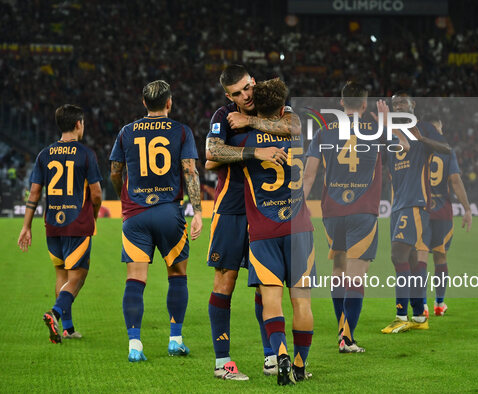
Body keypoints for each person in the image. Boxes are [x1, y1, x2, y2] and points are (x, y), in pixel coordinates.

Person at [204, 64, 297, 380]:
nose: (245, 96)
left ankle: (271, 357)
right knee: (225, 280)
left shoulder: (275, 108)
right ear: (228, 95)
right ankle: (223, 363)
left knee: (266, 285)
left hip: (268, 209)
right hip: (232, 208)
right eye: (236, 93)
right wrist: (255, 151)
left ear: (254, 82)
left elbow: (297, 127)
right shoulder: (223, 116)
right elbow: (212, 154)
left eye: (247, 88)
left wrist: (251, 122)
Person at [303, 82, 409, 352]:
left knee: (338, 272)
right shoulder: (376, 130)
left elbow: (308, 176)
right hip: (363, 211)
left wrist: (298, 209)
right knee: (356, 277)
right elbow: (405, 147)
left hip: (332, 211)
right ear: (364, 105)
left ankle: (342, 330)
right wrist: (388, 123)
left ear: (341, 103)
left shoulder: (324, 132)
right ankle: (347, 339)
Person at [109, 80, 203, 361]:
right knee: (177, 275)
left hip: (135, 214)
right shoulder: (182, 131)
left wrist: (123, 199)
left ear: (143, 103)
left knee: (135, 279)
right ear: (169, 102)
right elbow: (190, 172)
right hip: (169, 214)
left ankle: (134, 346)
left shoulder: (126, 132)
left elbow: (115, 171)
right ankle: (175, 340)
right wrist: (197, 211)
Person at [235, 78, 314, 385]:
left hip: (263, 231)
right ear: (283, 108)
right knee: (302, 303)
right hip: (299, 229)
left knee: (271, 301)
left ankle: (279, 353)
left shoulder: (245, 140)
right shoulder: (296, 131)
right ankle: (299, 365)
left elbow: (214, 157)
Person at [18, 104, 102, 343]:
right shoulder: (86, 154)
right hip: (78, 223)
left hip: (52, 225)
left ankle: (67, 327)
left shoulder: (44, 154)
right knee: (78, 276)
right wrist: (93, 216)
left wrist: (26, 227)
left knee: (61, 273)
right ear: (78, 124)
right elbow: (96, 195)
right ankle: (54, 313)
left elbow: (34, 193)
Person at [381, 93, 451, 334]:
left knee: (397, 255)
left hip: (415, 201)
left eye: (403, 103)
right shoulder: (390, 133)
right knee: (411, 260)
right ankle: (420, 316)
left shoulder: (424, 127)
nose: (398, 106)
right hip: (398, 203)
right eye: (395, 104)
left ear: (413, 106)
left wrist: (423, 139)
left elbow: (447, 148)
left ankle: (401, 315)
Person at [423, 114, 472, 316]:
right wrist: (467, 209)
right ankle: (439, 304)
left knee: (418, 259)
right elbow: (455, 181)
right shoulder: (447, 152)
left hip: (421, 209)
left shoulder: (417, 148)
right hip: (442, 211)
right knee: (440, 257)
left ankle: (422, 305)